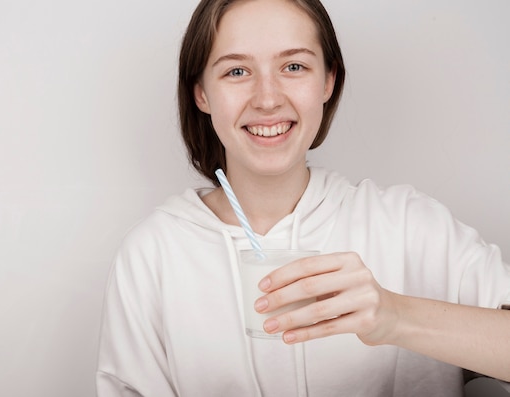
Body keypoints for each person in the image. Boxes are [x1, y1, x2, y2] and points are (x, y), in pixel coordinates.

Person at [96, 0, 510, 395]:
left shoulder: (409, 225)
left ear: (328, 80)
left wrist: (394, 315)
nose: (267, 98)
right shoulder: (152, 255)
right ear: (201, 94)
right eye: (237, 72)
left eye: (294, 66)